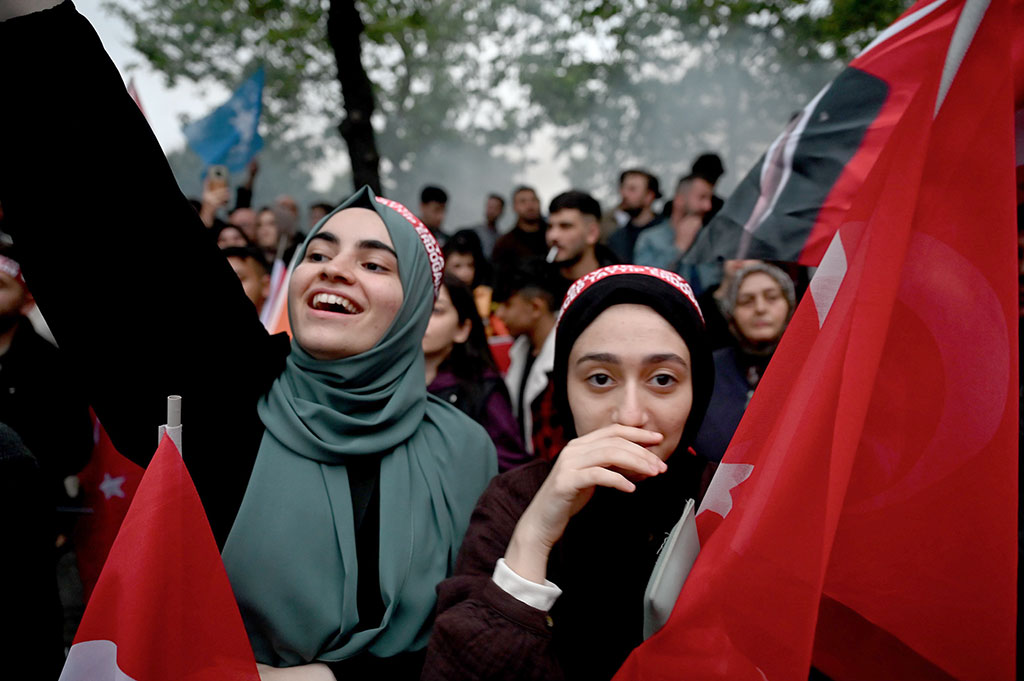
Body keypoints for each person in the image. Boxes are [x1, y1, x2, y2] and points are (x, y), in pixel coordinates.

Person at [0, 5, 496, 678]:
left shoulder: (466, 450)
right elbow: (124, 211)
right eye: (319, 251)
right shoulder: (235, 400)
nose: (336, 268)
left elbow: (481, 630)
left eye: (376, 262)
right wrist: (33, 24)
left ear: (413, 308)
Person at [423, 264, 715, 680]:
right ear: (563, 389)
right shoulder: (515, 501)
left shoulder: (726, 503)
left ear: (698, 390)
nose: (630, 414)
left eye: (663, 379)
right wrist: (534, 536)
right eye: (600, 378)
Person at [423, 274, 530, 472]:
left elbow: (512, 470)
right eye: (416, 306)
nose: (421, 318)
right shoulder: (384, 383)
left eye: (436, 310)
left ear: (462, 329)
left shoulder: (482, 390)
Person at [693, 262, 795, 462]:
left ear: (790, 306)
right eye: (746, 301)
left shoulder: (815, 367)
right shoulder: (708, 370)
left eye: (772, 297)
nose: (760, 308)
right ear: (730, 315)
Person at [494, 259, 568, 461]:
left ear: (536, 307)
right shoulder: (521, 351)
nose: (500, 314)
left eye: (507, 304)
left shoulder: (567, 360)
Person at [633, 173, 716, 293]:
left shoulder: (710, 240)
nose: (708, 206)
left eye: (709, 199)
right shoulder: (649, 239)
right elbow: (644, 284)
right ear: (680, 200)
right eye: (701, 198)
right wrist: (678, 248)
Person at [545, 190, 619, 288]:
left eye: (565, 226)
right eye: (550, 227)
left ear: (592, 233)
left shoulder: (616, 283)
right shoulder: (537, 281)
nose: (553, 236)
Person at [605, 169, 663, 263]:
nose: (624, 194)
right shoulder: (617, 238)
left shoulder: (667, 232)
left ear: (649, 196)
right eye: (623, 188)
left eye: (632, 189)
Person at [491, 186, 547, 268]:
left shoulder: (554, 237)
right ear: (514, 206)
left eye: (534, 200)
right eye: (523, 201)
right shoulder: (505, 244)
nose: (530, 205)